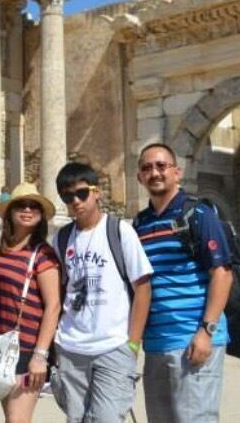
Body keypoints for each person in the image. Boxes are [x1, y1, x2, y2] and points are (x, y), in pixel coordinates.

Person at [133, 143, 232, 422]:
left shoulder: (198, 214)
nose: (155, 173)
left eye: (161, 166)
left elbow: (222, 273)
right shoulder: (140, 224)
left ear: (176, 172)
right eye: (147, 168)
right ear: (139, 177)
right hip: (156, 343)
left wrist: (206, 331)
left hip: (193, 337)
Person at [51, 162, 153, 423]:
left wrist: (133, 343)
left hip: (113, 345)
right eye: (68, 197)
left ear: (96, 192)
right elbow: (59, 291)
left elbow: (142, 288)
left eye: (81, 193)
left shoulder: (120, 231)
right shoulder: (61, 239)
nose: (75, 201)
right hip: (71, 347)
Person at [0, 184, 61, 423]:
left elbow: (53, 306)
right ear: (10, 212)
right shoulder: (3, 250)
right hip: (1, 347)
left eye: (33, 206)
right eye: (21, 205)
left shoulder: (43, 254)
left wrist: (40, 355)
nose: (27, 210)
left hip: (26, 349)